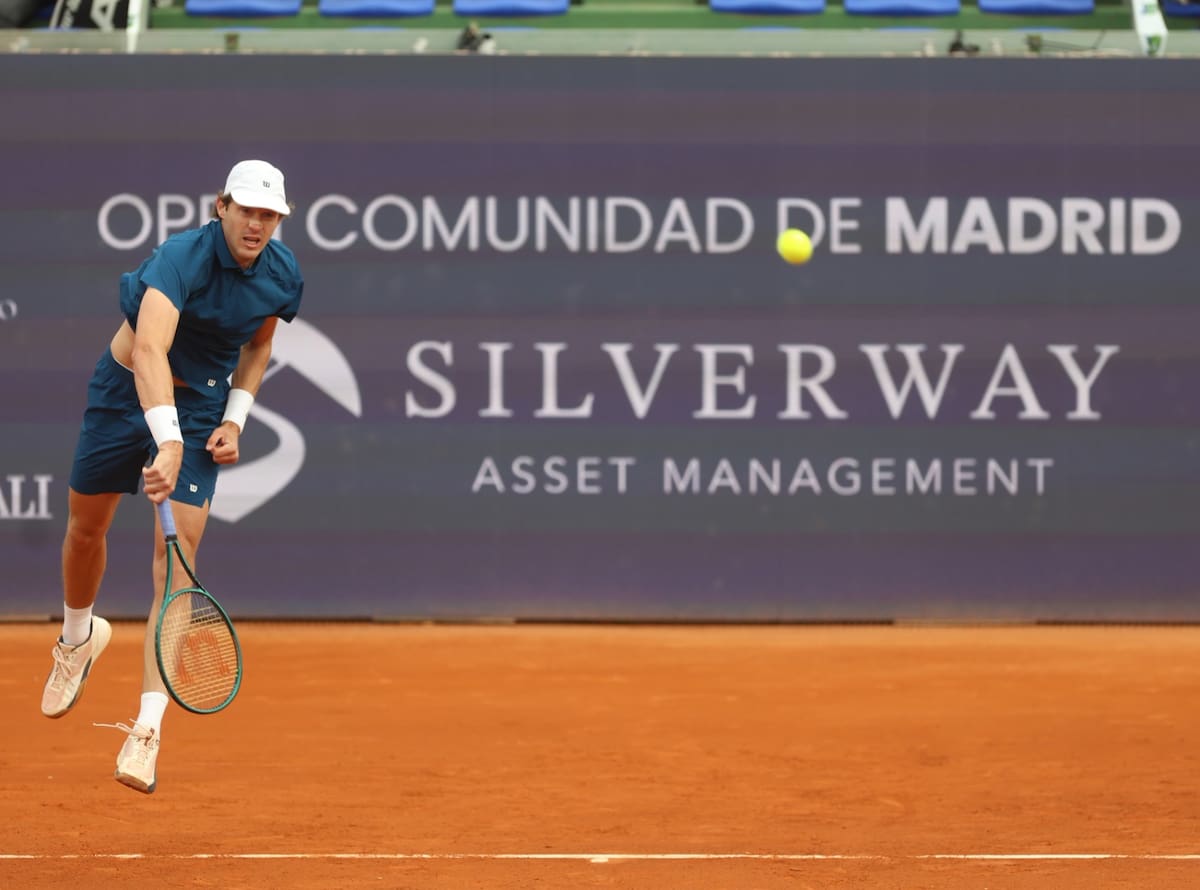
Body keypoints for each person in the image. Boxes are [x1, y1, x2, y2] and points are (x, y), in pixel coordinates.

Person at [40, 159, 304, 794]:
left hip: (201, 403)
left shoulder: (282, 275)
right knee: (85, 529)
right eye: (248, 210)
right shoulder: (179, 258)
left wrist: (235, 421)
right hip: (125, 390)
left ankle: (147, 730)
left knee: (178, 564)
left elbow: (259, 346)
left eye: (270, 215)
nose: (258, 224)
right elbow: (151, 350)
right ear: (222, 207)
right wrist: (168, 441)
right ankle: (78, 639)